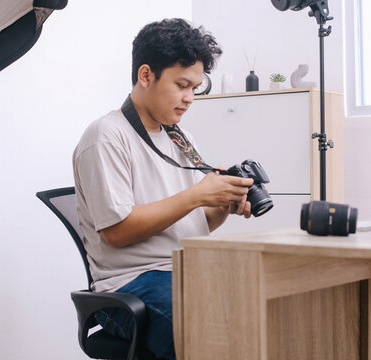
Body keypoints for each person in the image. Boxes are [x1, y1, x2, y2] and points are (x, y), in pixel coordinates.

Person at [73, 18, 253, 359]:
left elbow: (194, 223)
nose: (189, 99)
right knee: (212, 332)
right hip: (131, 285)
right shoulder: (106, 136)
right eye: (182, 85)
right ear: (145, 75)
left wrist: (223, 205)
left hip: (186, 270)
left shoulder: (178, 136)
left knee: (260, 307)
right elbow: (117, 231)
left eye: (195, 88)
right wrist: (196, 195)